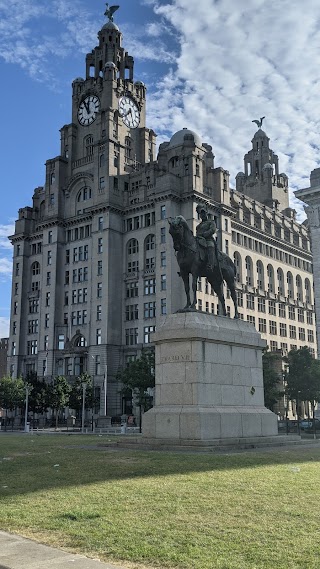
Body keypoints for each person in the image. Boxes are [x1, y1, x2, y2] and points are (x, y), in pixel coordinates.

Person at [196, 205, 217, 270]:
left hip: (208, 239)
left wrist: (205, 234)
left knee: (210, 246)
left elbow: (212, 230)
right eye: (200, 213)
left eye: (203, 213)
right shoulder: (198, 226)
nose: (202, 215)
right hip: (200, 240)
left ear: (206, 213)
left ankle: (210, 264)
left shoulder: (211, 222)